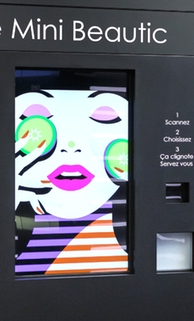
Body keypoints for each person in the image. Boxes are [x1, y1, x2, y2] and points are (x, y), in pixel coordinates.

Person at [14, 83, 129, 276]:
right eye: (38, 116)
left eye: (104, 116)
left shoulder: (129, 221)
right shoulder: (16, 220)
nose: (71, 146)